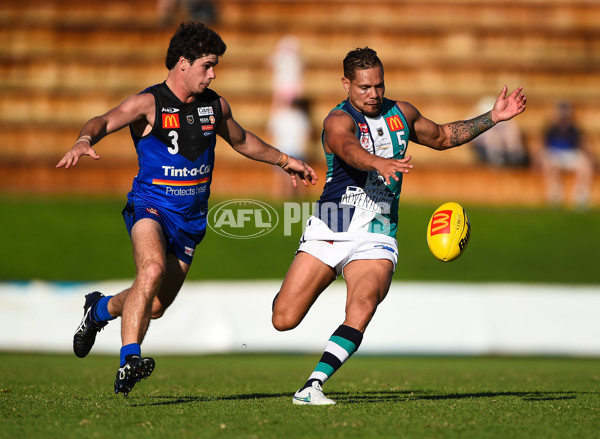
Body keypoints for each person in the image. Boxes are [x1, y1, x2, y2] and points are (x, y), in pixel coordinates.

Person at [56, 22, 317, 397]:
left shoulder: (215, 105)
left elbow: (241, 140)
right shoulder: (149, 103)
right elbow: (105, 120)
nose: (212, 74)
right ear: (183, 62)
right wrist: (84, 139)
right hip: (151, 207)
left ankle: (98, 310)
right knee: (151, 268)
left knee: (156, 304)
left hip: (191, 220)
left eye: (215, 67)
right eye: (207, 66)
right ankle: (129, 359)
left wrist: (283, 159)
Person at [271, 47, 526, 405]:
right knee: (283, 318)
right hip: (334, 223)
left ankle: (312, 385)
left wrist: (493, 117)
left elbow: (441, 136)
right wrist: (378, 162)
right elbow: (346, 148)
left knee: (364, 304)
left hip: (378, 230)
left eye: (379, 85)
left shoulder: (401, 113)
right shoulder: (337, 120)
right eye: (364, 87)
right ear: (346, 84)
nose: (373, 94)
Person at [540, 100, 594, 209]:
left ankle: (580, 197)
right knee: (547, 161)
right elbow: (544, 146)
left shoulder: (574, 128)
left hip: (570, 155)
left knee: (585, 163)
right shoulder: (550, 128)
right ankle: (555, 196)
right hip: (554, 154)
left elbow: (582, 145)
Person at [470, 96, 528, 167]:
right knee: (492, 135)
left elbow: (513, 137)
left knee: (507, 135)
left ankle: (512, 158)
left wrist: (514, 151)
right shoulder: (475, 121)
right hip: (487, 151)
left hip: (505, 152)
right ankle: (498, 158)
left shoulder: (507, 123)